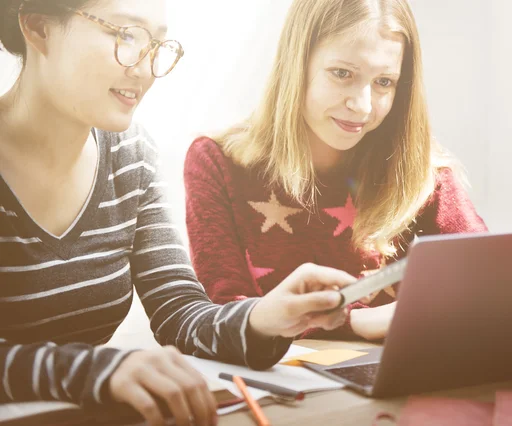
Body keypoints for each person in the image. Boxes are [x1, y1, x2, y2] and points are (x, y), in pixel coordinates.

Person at [0, 1, 356, 425]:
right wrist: (94, 371)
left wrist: (265, 318)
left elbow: (178, 312)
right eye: (126, 35)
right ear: (38, 29)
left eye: (156, 44)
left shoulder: (130, 155)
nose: (147, 68)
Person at [184, 0, 488, 343]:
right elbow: (225, 318)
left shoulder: (419, 168)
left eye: (384, 82)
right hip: (286, 383)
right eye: (342, 74)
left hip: (399, 375)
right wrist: (356, 322)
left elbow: (487, 276)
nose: (362, 105)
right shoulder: (218, 162)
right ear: (296, 64)